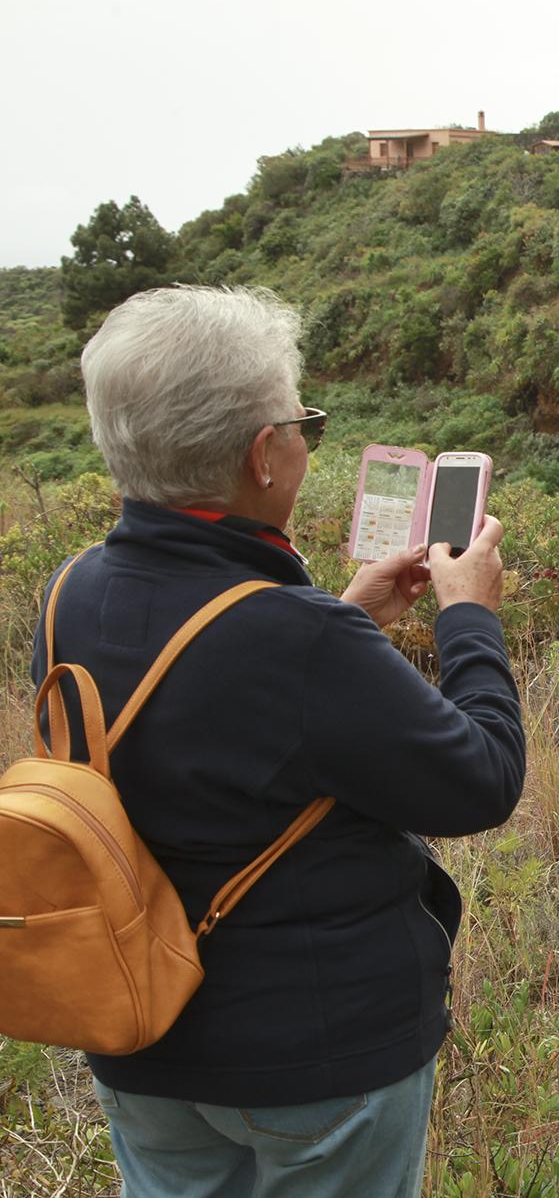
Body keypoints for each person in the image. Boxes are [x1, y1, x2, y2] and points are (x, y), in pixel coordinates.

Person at [31, 285, 526, 1196]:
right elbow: (481, 780)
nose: (305, 438)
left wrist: (345, 615)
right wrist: (470, 620)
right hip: (317, 1060)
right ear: (265, 455)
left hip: (137, 1028)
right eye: (305, 421)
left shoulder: (73, 591)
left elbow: (207, 723)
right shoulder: (298, 640)